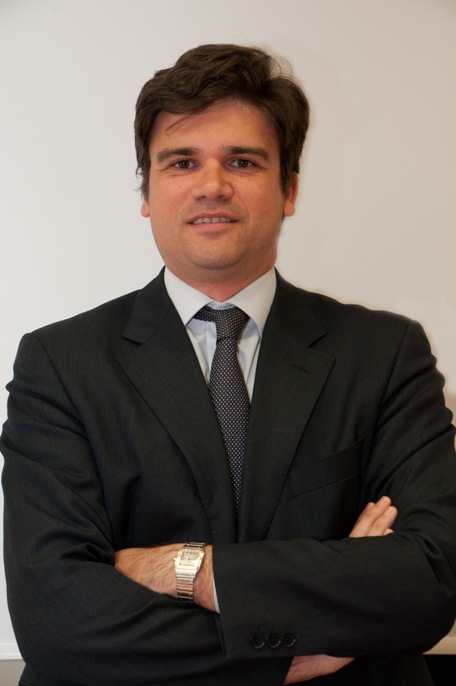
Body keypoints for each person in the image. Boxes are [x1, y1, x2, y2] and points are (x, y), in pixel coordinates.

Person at [1, 43, 456, 686]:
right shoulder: (59, 365)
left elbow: (431, 580)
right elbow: (55, 618)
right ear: (147, 190)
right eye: (182, 161)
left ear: (288, 188)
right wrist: (296, 641)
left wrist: (182, 568)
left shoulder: (385, 354)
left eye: (242, 161)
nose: (212, 184)